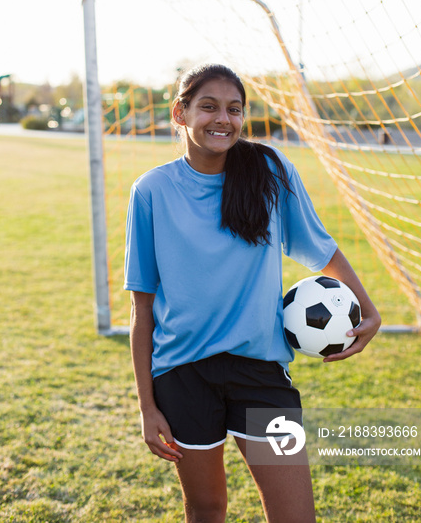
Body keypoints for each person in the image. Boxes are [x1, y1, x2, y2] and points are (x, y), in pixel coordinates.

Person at [124, 63, 381, 523]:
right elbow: (141, 306)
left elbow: (321, 247)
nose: (223, 119)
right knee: (207, 508)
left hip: (261, 373)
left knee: (295, 515)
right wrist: (147, 406)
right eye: (208, 107)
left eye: (234, 109)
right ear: (180, 113)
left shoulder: (269, 170)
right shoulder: (151, 191)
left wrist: (368, 308)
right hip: (183, 375)